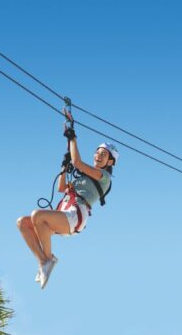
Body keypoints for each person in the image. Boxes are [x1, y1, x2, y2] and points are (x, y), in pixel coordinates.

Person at [16, 120, 118, 289]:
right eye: (97, 152)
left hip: (76, 215)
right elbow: (61, 188)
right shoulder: (84, 178)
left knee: (37, 215)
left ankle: (47, 261)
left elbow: (78, 163)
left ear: (110, 162)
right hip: (66, 211)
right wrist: (64, 167)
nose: (98, 156)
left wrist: (73, 138)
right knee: (23, 223)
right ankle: (44, 261)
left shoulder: (104, 177)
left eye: (104, 155)